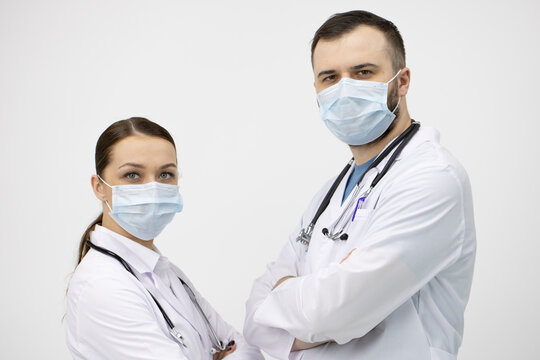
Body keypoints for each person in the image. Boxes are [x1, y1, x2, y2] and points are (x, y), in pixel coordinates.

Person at [243, 10, 476, 360]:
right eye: (330, 77)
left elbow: (336, 312)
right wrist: (321, 304)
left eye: (363, 72)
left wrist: (295, 298)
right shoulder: (332, 192)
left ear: (402, 80)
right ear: (317, 90)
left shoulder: (432, 178)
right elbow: (256, 316)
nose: (345, 89)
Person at [66, 117, 263, 360]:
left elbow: (249, 349)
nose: (153, 188)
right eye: (132, 175)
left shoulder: (163, 271)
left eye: (165, 174)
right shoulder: (102, 286)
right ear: (99, 187)